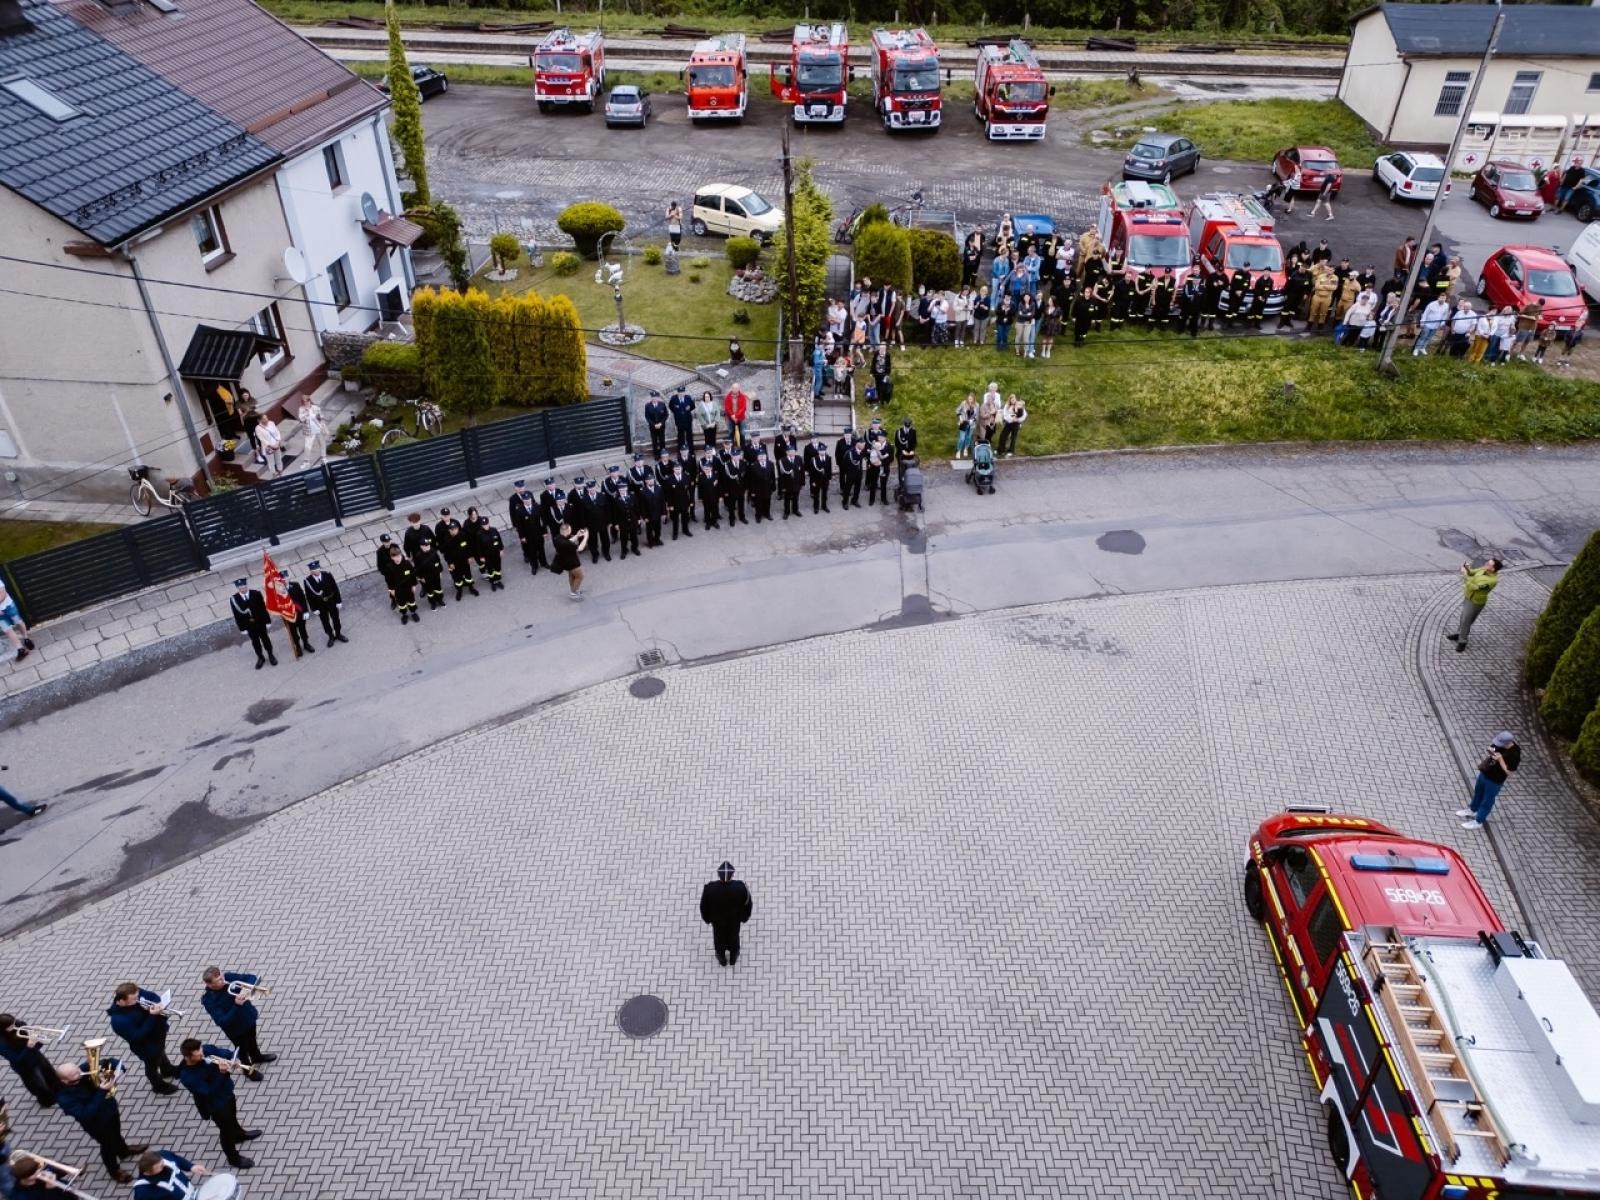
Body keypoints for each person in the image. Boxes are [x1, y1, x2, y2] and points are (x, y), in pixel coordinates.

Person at [55, 1060, 148, 1182]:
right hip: (97, 1124)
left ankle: (123, 1151)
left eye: (77, 1069)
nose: (80, 1072)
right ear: (65, 1081)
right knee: (108, 1145)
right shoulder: (64, 1097)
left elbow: (107, 1062)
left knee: (117, 1133)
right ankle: (114, 1170)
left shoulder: (82, 1070)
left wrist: (118, 1068)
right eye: (74, 1074)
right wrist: (102, 1090)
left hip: (110, 1110)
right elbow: (85, 1114)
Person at [176, 1040, 259, 1170]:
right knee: (226, 1131)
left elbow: (223, 1052)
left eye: (201, 1051)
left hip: (227, 1094)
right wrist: (221, 1073)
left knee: (232, 1116)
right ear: (188, 1057)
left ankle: (239, 1134)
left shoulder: (205, 1050)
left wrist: (232, 1058)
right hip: (215, 1105)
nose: (202, 1055)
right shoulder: (187, 1076)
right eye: (198, 1055)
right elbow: (209, 1091)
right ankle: (233, 1158)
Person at [199, 968, 274, 1077]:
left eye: (222, 977)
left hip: (248, 1017)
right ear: (209, 984)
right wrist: (236, 1005)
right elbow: (222, 1021)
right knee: (242, 1050)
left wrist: (245, 989)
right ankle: (248, 1071)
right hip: (236, 1029)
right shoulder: (209, 1000)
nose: (223, 981)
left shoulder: (228, 977)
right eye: (218, 981)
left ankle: (256, 1057)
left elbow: (251, 977)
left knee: (252, 1039)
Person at [108, 983, 179, 1095]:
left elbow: (151, 995)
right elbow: (138, 1036)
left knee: (160, 1053)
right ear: (122, 1001)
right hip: (146, 1047)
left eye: (137, 996)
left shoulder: (133, 992)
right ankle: (158, 1086)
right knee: (152, 1065)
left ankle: (167, 1070)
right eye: (134, 999)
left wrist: (158, 1002)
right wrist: (152, 1015)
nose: (138, 999)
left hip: (157, 1037)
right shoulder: (118, 1021)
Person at [1459, 732, 1520, 829]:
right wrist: (1491, 751)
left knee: (1487, 801)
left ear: (1507, 743)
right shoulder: (1500, 744)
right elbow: (1492, 747)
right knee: (1478, 793)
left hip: (1495, 781)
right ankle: (1472, 809)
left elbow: (1510, 773)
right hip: (1485, 773)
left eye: (1500, 744)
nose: (1497, 744)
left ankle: (1478, 821)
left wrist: (1500, 760)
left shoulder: (1515, 754)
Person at [698, 861, 753, 967]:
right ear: (732, 874)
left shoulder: (710, 889)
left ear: (719, 875)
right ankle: (733, 957)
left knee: (718, 938)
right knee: (734, 937)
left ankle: (721, 958)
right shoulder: (741, 887)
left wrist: (708, 919)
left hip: (717, 921)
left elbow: (703, 906)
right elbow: (748, 904)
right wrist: (744, 918)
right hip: (734, 920)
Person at [0, 1015, 58, 1106]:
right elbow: (17, 1059)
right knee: (39, 1086)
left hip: (36, 1056)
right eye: (11, 1026)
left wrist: (36, 1033)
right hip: (25, 1067)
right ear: (3, 1029)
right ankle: (47, 1102)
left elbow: (36, 1043)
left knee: (51, 1075)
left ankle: (57, 1092)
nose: (15, 1026)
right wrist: (29, 1047)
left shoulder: (18, 1024)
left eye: (14, 1022)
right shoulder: (1, 1044)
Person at [1449, 557, 1502, 652]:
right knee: (1463, 618)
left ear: (1493, 569)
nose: (1486, 564)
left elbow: (1474, 587)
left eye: (1489, 564)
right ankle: (1460, 634)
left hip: (1476, 602)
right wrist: (1468, 569)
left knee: (1466, 621)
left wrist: (1464, 575)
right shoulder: (1484, 569)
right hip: (1468, 597)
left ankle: (1462, 641)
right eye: (1487, 562)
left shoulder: (1491, 581)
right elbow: (1472, 573)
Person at [228, 579, 276, 670]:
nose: (242, 588)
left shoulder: (256, 593)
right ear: (237, 588)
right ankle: (260, 657)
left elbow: (263, 608)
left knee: (265, 639)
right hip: (249, 625)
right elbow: (236, 615)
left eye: (244, 586)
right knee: (255, 642)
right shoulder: (234, 599)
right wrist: (242, 628)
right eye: (240, 587)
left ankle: (270, 655)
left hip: (260, 622)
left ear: (246, 585)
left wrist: (267, 621)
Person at [132, 1149, 213, 1200]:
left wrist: (191, 1167)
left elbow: (177, 1159)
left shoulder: (163, 1155)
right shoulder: (142, 1192)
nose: (164, 1164)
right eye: (160, 1166)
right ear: (147, 1173)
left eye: (162, 1162)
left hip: (194, 1193)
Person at [300, 561, 347, 647]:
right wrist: (313, 608)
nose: (316, 571)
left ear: (320, 568)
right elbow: (308, 596)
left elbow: (335, 588)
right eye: (313, 569)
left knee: (336, 619)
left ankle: (338, 634)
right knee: (325, 622)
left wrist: (338, 601)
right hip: (320, 605)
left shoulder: (327, 575)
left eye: (317, 568)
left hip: (331, 601)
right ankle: (330, 636)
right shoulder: (308, 581)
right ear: (310, 571)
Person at [508, 481, 545, 576]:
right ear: (515, 488)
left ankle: (542, 562)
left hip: (534, 526)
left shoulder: (530, 494)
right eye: (519, 488)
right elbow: (512, 514)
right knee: (526, 544)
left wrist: (544, 530)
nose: (521, 489)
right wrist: (516, 527)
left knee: (539, 546)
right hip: (523, 527)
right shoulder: (513, 499)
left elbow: (537, 511)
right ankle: (527, 555)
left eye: (522, 487)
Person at [440, 519, 479, 600]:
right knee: (457, 578)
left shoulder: (463, 535)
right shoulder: (446, 540)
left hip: (464, 560)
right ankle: (459, 591)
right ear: (449, 530)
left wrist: (470, 557)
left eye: (456, 529)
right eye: (452, 530)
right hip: (454, 563)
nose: (454, 531)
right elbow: (446, 554)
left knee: (468, 575)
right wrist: (450, 563)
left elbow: (468, 547)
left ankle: (471, 588)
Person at [550, 522, 588, 601]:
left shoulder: (557, 538)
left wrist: (577, 535)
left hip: (565, 562)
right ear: (566, 531)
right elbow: (580, 548)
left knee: (572, 576)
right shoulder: (565, 543)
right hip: (573, 563)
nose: (571, 531)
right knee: (580, 576)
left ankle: (574, 590)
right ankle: (573, 593)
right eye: (570, 529)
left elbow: (569, 541)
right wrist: (585, 537)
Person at [0, 581, 35, 664]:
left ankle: (26, 638)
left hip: (8, 606)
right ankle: (21, 649)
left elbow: (3, 593)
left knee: (18, 622)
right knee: (7, 630)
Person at [385, 545, 419, 624]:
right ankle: (404, 614)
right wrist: (391, 589)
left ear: (401, 554)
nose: (398, 558)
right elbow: (388, 580)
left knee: (412, 601)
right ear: (392, 557)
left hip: (408, 588)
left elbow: (413, 575)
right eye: (395, 557)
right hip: (398, 590)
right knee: (401, 604)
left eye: (399, 555)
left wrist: (414, 585)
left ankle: (413, 612)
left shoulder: (407, 564)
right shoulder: (389, 567)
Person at [412, 534, 446, 610]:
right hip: (426, 577)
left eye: (428, 545)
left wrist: (440, 571)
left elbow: (438, 561)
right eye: (425, 546)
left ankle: (440, 600)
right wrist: (420, 578)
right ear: (421, 546)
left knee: (438, 589)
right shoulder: (418, 556)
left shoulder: (433, 551)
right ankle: (433, 603)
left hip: (436, 574)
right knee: (430, 592)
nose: (428, 546)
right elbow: (417, 569)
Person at [805, 436, 832, 514]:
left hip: (825, 480)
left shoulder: (828, 458)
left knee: (824, 494)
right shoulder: (814, 460)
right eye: (820, 450)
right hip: (816, 480)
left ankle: (824, 506)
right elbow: (812, 472)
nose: (822, 452)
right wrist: (812, 481)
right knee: (816, 494)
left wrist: (829, 478)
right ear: (818, 451)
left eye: (823, 450)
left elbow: (829, 469)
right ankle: (816, 507)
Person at [297, 396, 326, 466]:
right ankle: (306, 461)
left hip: (318, 428)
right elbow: (301, 419)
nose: (306, 403)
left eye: (307, 401)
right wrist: (306, 412)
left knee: (322, 443)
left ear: (310, 401)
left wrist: (323, 426)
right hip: (309, 431)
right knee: (307, 446)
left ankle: (323, 457)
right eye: (304, 402)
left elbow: (321, 416)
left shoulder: (315, 407)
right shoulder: (301, 409)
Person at [667, 386, 695, 451]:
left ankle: (691, 450)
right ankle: (681, 450)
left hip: (688, 420)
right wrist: (677, 412)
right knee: (680, 436)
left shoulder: (688, 397)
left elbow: (693, 406)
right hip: (679, 421)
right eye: (679, 392)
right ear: (677, 393)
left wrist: (689, 409)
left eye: (682, 392)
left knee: (689, 436)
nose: (681, 393)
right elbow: (670, 406)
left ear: (684, 392)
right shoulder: (674, 398)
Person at [643, 391, 669, 457]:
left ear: (658, 398)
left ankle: (663, 454)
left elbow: (666, 415)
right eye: (653, 397)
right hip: (653, 427)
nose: (654, 399)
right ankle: (656, 455)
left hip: (661, 426)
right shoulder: (647, 406)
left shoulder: (662, 404)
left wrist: (661, 423)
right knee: (654, 441)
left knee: (662, 440)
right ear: (651, 398)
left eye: (655, 397)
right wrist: (653, 425)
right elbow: (647, 417)